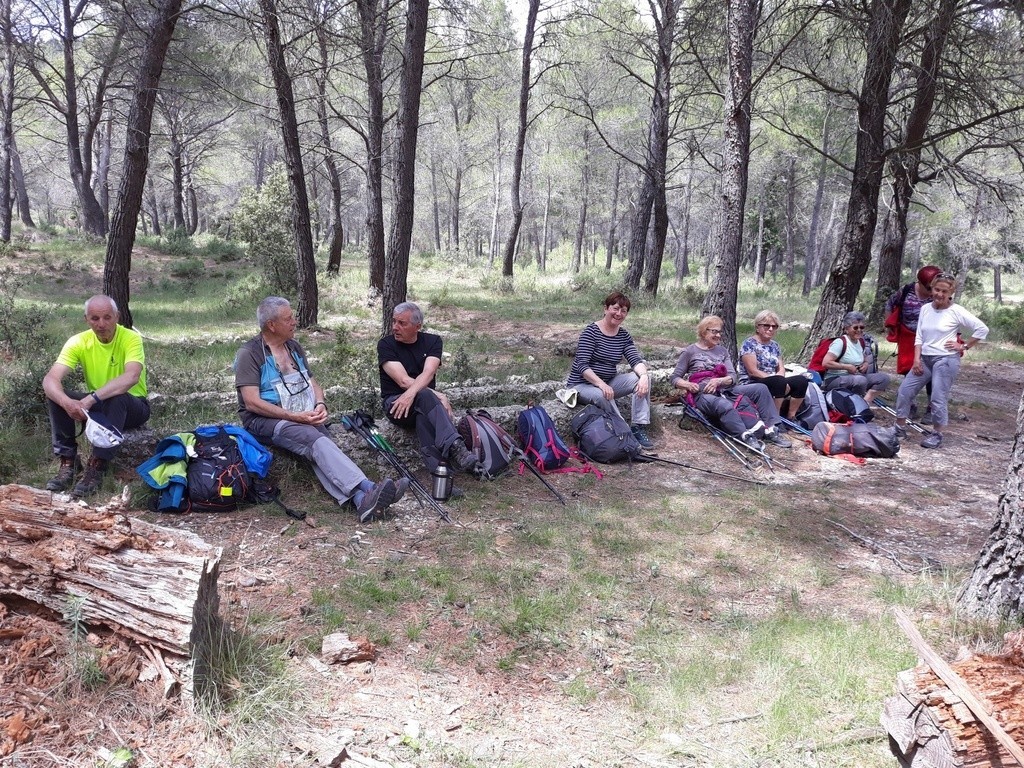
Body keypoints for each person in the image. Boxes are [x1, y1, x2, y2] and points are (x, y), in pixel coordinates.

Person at [235, 297, 406, 522]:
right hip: (264, 421)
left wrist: (320, 404)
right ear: (272, 325)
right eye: (289, 319)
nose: (294, 322)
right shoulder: (250, 353)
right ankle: (369, 487)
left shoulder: (294, 347)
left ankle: (361, 502)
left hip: (300, 414)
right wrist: (295, 416)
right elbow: (251, 402)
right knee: (310, 437)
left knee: (321, 445)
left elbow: (313, 383)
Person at [43, 295, 151, 497]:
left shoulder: (130, 338)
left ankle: (98, 465)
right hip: (99, 406)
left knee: (117, 396)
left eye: (107, 317)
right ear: (86, 319)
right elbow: (50, 379)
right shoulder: (78, 341)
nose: (101, 324)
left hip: (133, 405)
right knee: (56, 395)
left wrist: (90, 399)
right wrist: (67, 403)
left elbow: (132, 376)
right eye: (94, 318)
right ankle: (69, 461)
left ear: (117, 317)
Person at [377, 301, 478, 476]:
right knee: (425, 395)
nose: (395, 327)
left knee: (423, 413)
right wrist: (437, 394)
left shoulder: (433, 341)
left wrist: (416, 393)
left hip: (425, 405)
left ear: (417, 326)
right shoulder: (386, 345)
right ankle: (456, 446)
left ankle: (442, 475)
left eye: (402, 323)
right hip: (396, 405)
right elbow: (402, 381)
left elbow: (428, 373)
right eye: (394, 321)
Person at [894, 273, 988, 449]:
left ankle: (936, 433)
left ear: (951, 292)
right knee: (904, 391)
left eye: (944, 291)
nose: (940, 294)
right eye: (937, 289)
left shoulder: (956, 311)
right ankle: (899, 428)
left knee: (938, 398)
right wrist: (916, 359)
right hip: (925, 358)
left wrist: (964, 346)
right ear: (932, 289)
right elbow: (919, 336)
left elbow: (982, 329)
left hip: (945, 359)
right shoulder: (926, 309)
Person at [671, 315, 792, 448]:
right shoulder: (690, 351)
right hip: (703, 393)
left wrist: (719, 381)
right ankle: (744, 436)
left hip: (725, 388)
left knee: (761, 389)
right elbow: (675, 378)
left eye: (720, 332)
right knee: (723, 405)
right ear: (704, 332)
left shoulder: (722, 351)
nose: (718, 335)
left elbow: (733, 376)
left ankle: (771, 429)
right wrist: (687, 385)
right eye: (714, 331)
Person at [564, 291, 655, 449]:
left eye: (624, 310)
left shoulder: (623, 335)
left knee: (640, 379)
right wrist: (600, 384)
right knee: (602, 395)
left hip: (608, 381)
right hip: (581, 385)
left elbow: (635, 360)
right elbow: (582, 365)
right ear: (606, 309)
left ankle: (638, 427)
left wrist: (644, 376)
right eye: (615, 308)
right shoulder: (591, 332)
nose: (619, 313)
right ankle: (624, 433)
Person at [885, 264, 942, 422]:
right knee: (908, 370)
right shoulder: (906, 291)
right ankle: (910, 405)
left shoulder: (939, 294)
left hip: (930, 339)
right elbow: (889, 304)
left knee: (931, 373)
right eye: (929, 288)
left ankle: (931, 408)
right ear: (921, 283)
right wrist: (889, 324)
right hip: (907, 336)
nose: (933, 292)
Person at [739, 310, 809, 422]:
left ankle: (791, 416)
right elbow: (753, 371)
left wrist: (781, 378)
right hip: (753, 382)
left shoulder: (775, 345)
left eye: (774, 326)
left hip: (775, 381)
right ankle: (774, 419)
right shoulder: (749, 344)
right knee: (778, 382)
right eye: (766, 326)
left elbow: (781, 367)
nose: (770, 329)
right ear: (757, 327)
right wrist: (777, 380)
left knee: (801, 381)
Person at [820, 311, 891, 404]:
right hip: (835, 379)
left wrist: (865, 364)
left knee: (883, 378)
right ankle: (854, 405)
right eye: (855, 327)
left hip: (856, 377)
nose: (859, 330)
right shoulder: (840, 342)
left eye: (861, 327)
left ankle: (864, 403)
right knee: (860, 380)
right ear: (846, 329)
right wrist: (846, 367)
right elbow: (826, 363)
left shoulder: (860, 342)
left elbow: (864, 358)